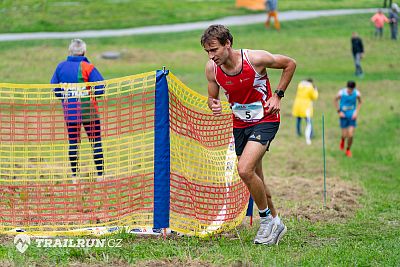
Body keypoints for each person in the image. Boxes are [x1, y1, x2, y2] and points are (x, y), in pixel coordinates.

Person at [201, 24, 296, 245]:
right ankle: (276, 222)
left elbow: (290, 64)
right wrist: (212, 104)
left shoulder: (255, 59)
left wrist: (278, 96)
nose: (211, 55)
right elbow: (212, 97)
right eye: (207, 51)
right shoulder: (211, 69)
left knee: (244, 169)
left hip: (265, 119)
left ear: (228, 44)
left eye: (214, 49)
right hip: (240, 124)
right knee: (257, 178)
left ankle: (265, 223)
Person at [51, 39, 105, 183]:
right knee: (96, 142)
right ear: (84, 52)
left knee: (73, 143)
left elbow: (55, 89)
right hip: (89, 111)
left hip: (70, 112)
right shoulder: (88, 67)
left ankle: (75, 178)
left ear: (70, 51)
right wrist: (93, 95)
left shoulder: (60, 67)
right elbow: (101, 88)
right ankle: (101, 176)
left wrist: (65, 99)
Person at [334, 81, 362, 158]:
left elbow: (360, 102)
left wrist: (356, 112)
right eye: (349, 89)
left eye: (351, 90)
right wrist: (339, 112)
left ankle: (348, 150)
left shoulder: (357, 93)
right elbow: (335, 100)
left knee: (350, 134)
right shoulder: (341, 93)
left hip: (352, 116)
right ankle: (342, 140)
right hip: (343, 116)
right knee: (344, 134)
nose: (350, 91)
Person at [291, 79, 318, 145]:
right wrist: (315, 90)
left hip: (298, 105)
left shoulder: (300, 85)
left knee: (298, 120)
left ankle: (298, 132)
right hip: (306, 106)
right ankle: (311, 134)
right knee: (308, 121)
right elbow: (314, 97)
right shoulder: (310, 87)